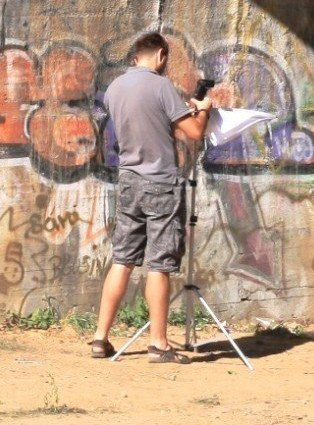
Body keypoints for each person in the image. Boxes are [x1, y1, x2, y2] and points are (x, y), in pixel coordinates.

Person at [89, 31, 225, 363]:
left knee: (123, 259)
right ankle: (159, 343)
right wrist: (203, 109)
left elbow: (151, 126)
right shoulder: (161, 86)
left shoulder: (115, 89)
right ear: (161, 56)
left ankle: (99, 338)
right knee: (159, 265)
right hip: (160, 183)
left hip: (129, 181)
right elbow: (193, 133)